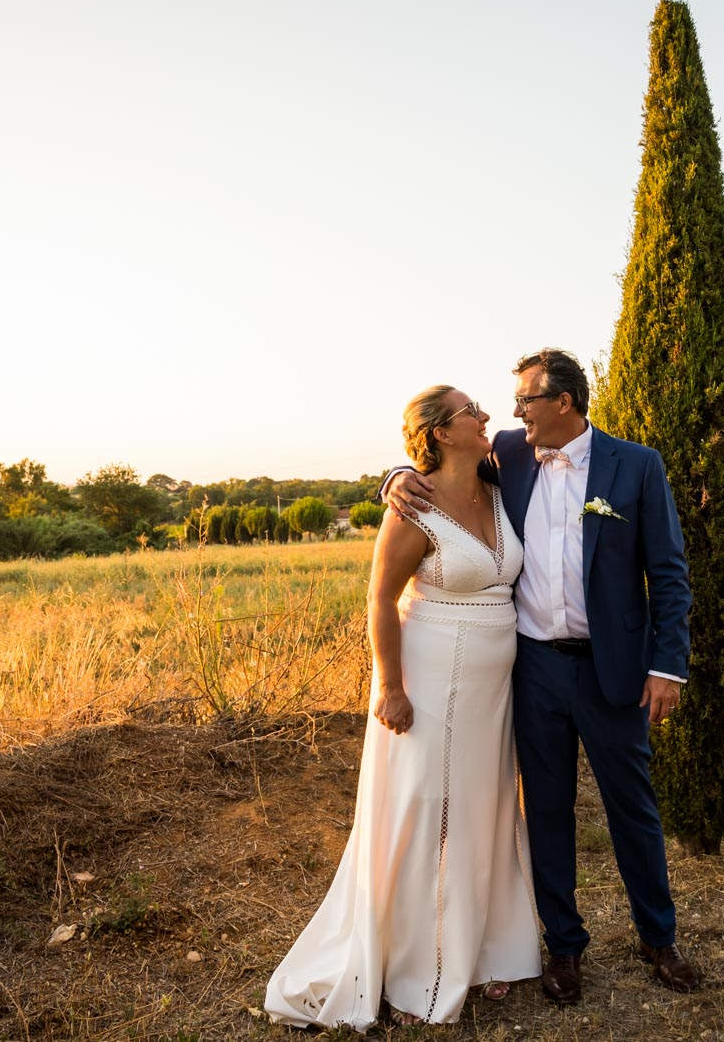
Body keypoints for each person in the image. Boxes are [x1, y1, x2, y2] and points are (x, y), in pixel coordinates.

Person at [384, 349, 700, 1003]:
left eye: (527, 398)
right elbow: (437, 468)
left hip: (613, 672)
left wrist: (667, 665)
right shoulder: (509, 451)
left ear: (564, 401)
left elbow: (668, 574)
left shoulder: (636, 465)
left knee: (632, 809)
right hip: (532, 672)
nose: (512, 411)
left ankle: (658, 938)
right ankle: (564, 948)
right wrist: (392, 475)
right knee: (545, 813)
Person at [264, 386, 540, 1031]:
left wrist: (392, 470)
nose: (487, 416)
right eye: (472, 410)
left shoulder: (500, 483)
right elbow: (380, 600)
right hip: (429, 671)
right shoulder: (412, 506)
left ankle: (481, 950)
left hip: (494, 686)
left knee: (484, 806)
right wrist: (389, 685)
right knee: (424, 807)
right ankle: (418, 961)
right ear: (442, 432)